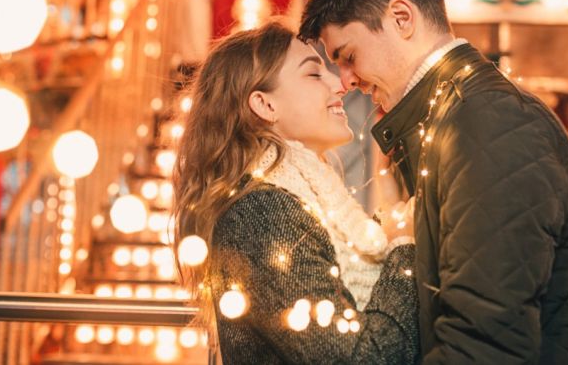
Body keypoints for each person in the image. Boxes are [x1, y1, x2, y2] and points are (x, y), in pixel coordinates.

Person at [298, 0, 568, 364]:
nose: (347, 80)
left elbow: (484, 345)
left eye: (348, 56)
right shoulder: (454, 120)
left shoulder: (487, 124)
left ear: (402, 18)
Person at [174, 22, 419, 364]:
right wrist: (403, 251)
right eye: (314, 75)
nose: (339, 85)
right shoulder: (263, 214)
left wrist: (390, 206)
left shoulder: (298, 196)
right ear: (264, 104)